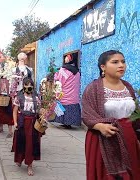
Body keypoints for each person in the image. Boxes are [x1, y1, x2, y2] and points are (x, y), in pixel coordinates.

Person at [82, 50, 140, 180]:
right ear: (103, 67)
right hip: (103, 140)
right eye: (115, 62)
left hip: (128, 139)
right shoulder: (93, 88)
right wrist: (100, 126)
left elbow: (135, 114)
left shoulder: (128, 87)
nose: (121, 65)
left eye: (123, 61)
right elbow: (87, 114)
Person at [12, 78, 42, 176]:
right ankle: (20, 159)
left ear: (33, 86)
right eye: (26, 85)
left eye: (30, 85)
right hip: (22, 123)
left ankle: (29, 165)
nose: (28, 87)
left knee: (31, 144)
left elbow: (39, 112)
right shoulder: (19, 97)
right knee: (21, 142)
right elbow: (15, 111)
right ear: (23, 86)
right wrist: (15, 123)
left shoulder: (36, 99)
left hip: (32, 124)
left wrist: (44, 114)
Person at [52, 54, 81, 129]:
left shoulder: (64, 70)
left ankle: (65, 122)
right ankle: (68, 123)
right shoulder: (77, 71)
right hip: (74, 96)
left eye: (67, 58)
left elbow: (60, 82)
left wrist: (56, 76)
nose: (65, 59)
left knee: (64, 107)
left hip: (65, 94)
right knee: (71, 108)